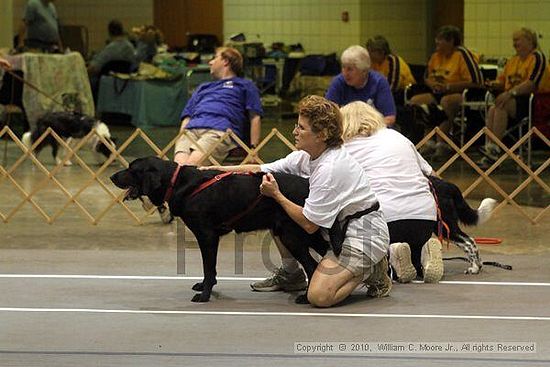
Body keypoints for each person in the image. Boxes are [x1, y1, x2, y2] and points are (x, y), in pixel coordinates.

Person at [208, 95, 391, 308]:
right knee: (274, 213)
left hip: (364, 235)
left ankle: (372, 271)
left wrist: (277, 195)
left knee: (319, 296)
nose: (294, 131)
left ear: (321, 135)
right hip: (339, 231)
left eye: (301, 128)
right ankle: (292, 275)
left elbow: (309, 224)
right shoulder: (307, 156)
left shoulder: (329, 169)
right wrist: (217, 171)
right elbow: (261, 168)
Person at [340, 101, 443, 283]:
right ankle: (422, 254)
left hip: (385, 220)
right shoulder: (397, 137)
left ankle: (391, 255)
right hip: (424, 219)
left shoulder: (346, 147)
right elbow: (433, 175)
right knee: (413, 248)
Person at [174, 46, 262, 166]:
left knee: (190, 167)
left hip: (219, 131)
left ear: (226, 61)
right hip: (190, 131)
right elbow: (187, 116)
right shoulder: (203, 87)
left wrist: (254, 149)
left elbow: (255, 116)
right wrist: (181, 136)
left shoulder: (245, 85)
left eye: (214, 58)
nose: (210, 62)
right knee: (178, 168)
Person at [479, 27, 550, 168]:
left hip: (535, 102)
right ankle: (491, 147)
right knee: (494, 108)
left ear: (529, 40)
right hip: (513, 101)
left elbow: (532, 83)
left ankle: (494, 148)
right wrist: (493, 84)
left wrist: (510, 93)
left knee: (502, 104)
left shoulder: (537, 58)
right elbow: (503, 81)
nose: (514, 43)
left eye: (517, 40)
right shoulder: (512, 61)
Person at [410, 25, 483, 159]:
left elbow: (476, 81)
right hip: (438, 92)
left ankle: (442, 143)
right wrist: (432, 84)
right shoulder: (435, 56)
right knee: (417, 101)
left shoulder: (462, 55)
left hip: (459, 94)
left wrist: (448, 87)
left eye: (440, 40)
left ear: (450, 41)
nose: (436, 42)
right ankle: (428, 141)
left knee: (446, 102)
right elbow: (426, 77)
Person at [325, 45, 396, 126]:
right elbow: (327, 115)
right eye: (343, 67)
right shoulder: (338, 82)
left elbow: (389, 118)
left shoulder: (379, 82)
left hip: (373, 131)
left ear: (364, 71)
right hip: (346, 130)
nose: (345, 73)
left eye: (350, 69)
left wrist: (366, 128)